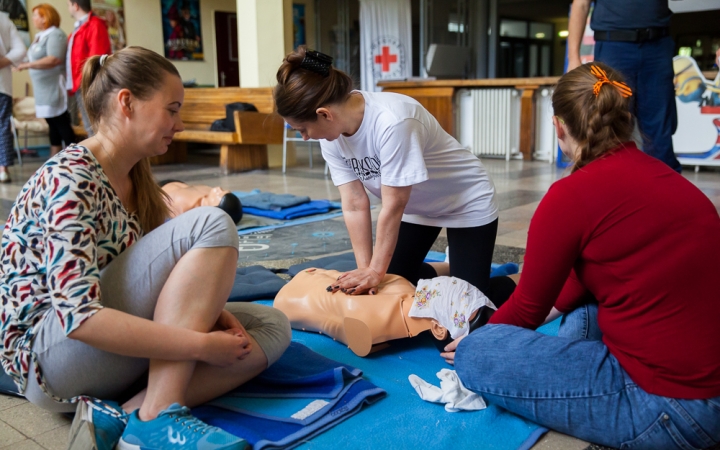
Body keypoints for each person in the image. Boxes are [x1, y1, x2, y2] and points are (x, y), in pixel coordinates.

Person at [0, 46, 291, 450]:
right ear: (127, 103)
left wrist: (211, 310)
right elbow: (79, 318)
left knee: (271, 327)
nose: (180, 122)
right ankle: (160, 416)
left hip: (98, 352)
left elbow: (162, 279)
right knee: (212, 222)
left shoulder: (137, 179)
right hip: (51, 361)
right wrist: (201, 344)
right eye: (171, 109)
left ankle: (123, 418)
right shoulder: (71, 178)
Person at [442, 63, 720, 449]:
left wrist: (479, 339)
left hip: (672, 408)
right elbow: (586, 277)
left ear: (558, 127)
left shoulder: (570, 197)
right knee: (585, 308)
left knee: (478, 353)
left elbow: (527, 310)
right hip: (705, 382)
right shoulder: (670, 179)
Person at [274, 46, 500, 301]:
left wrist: (375, 270)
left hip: (465, 200)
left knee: (466, 310)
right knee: (386, 287)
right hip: (417, 208)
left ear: (324, 114)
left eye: (302, 129)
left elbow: (393, 205)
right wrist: (366, 271)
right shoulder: (330, 136)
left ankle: (510, 283)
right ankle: (451, 270)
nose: (304, 138)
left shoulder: (393, 121)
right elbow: (354, 204)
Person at [567, 0, 681, 173]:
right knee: (609, 122)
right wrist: (573, 57)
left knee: (659, 129)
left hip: (657, 44)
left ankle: (664, 193)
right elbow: (581, 4)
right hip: (614, 46)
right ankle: (610, 187)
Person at [15, 4, 76, 157]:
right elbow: (29, 57)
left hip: (54, 87)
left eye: (36, 15)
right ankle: (53, 158)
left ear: (45, 18)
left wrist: (27, 65)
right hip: (43, 90)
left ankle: (77, 157)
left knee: (61, 124)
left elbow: (54, 59)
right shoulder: (39, 37)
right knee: (52, 125)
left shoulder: (55, 35)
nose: (33, 18)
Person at [66, 0, 111, 137]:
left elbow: (97, 56)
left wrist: (85, 80)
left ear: (75, 5)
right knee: (90, 126)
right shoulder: (79, 28)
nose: (68, 8)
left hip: (88, 83)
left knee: (97, 127)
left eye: (68, 5)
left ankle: (103, 158)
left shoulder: (95, 25)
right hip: (79, 84)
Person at [0, 11, 25, 183]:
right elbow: (20, 50)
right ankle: (3, 169)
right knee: (2, 126)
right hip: (3, 85)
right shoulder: (4, 18)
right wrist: (4, 61)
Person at [160, 180, 244, 224]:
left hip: (159, 190)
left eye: (219, 194)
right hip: (175, 183)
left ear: (214, 206)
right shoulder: (209, 192)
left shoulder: (185, 206)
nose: (219, 188)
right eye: (224, 190)